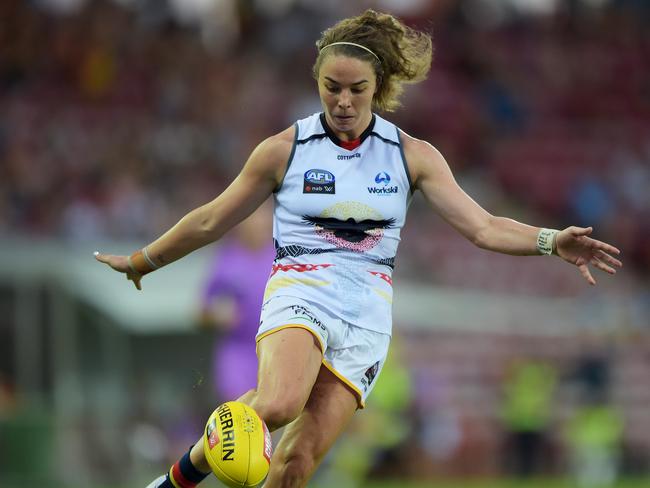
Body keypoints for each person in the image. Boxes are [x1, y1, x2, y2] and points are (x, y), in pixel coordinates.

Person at [94, 9, 622, 488]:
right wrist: (143, 261)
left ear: (380, 87)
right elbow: (211, 218)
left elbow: (483, 227)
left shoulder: (412, 156)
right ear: (318, 83)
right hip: (302, 288)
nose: (342, 102)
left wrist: (552, 242)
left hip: (368, 314)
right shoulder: (284, 150)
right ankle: (173, 482)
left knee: (294, 466)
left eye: (356, 90)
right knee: (277, 404)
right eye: (331, 88)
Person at [197, 201, 275, 403]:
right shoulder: (227, 259)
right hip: (239, 354)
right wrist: (217, 315)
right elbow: (200, 313)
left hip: (276, 348)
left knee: (280, 412)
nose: (258, 223)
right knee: (241, 414)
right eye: (252, 217)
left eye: (263, 217)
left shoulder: (281, 255)